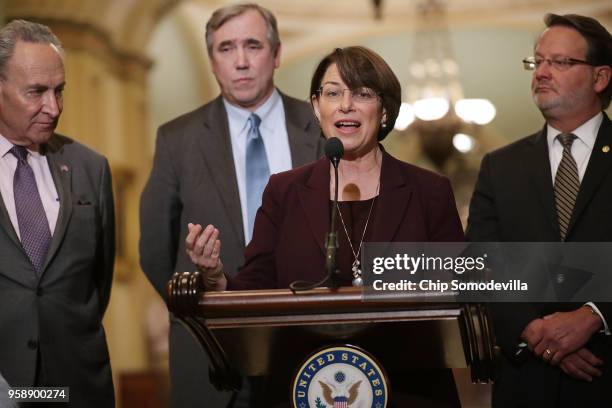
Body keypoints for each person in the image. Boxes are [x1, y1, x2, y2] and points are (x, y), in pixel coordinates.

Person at [186, 46, 464, 407]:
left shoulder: (429, 191)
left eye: (362, 93)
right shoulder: (284, 191)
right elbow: (255, 288)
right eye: (333, 93)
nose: (345, 104)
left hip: (408, 386)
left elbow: (458, 289)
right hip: (301, 386)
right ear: (317, 107)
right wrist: (214, 277)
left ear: (383, 110)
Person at [139, 3, 323, 407]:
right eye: (226, 48)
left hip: (312, 349)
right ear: (211, 61)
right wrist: (203, 303)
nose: (240, 61)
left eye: (253, 46)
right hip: (212, 356)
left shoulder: (321, 127)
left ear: (276, 55)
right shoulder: (177, 139)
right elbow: (155, 252)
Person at [466, 13, 612, 408]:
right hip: (527, 382)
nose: (542, 73)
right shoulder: (500, 166)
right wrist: (533, 331)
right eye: (537, 61)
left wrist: (595, 315)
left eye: (560, 62)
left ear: (600, 78)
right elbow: (480, 264)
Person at [0, 20, 115, 407]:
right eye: (36, 92)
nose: (53, 107)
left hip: (78, 386)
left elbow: (98, 283)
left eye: (59, 91)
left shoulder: (90, 168)